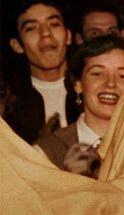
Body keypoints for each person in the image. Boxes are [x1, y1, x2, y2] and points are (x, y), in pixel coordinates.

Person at [35, 34, 124, 174]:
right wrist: (69, 180)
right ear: (78, 84)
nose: (111, 83)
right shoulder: (48, 150)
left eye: (122, 76)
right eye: (97, 73)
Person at [5, 1, 77, 142]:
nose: (45, 33)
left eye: (54, 24)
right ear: (17, 45)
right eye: (31, 28)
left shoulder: (93, 90)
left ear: (68, 36)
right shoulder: (8, 105)